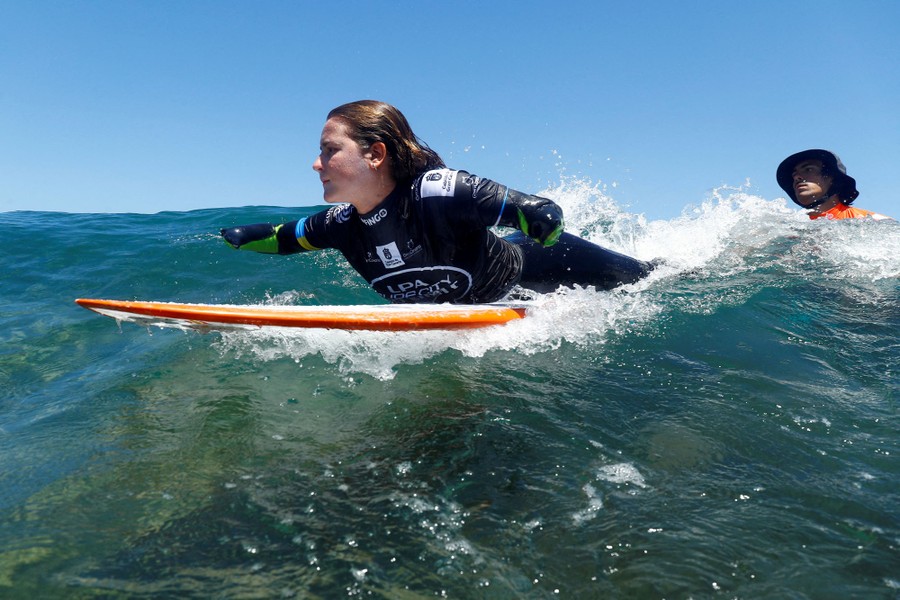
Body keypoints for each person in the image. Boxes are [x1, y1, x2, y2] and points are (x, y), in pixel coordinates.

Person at [220, 100, 653, 304]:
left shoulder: (438, 192)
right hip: (484, 303)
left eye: (330, 150)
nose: (317, 164)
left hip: (548, 265)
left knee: (653, 281)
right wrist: (242, 237)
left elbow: (529, 207)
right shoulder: (338, 225)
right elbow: (284, 238)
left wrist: (542, 218)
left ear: (375, 154)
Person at [776, 149, 890, 220]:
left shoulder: (875, 222)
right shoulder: (785, 230)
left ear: (832, 178)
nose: (796, 177)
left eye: (808, 170)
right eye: (794, 175)